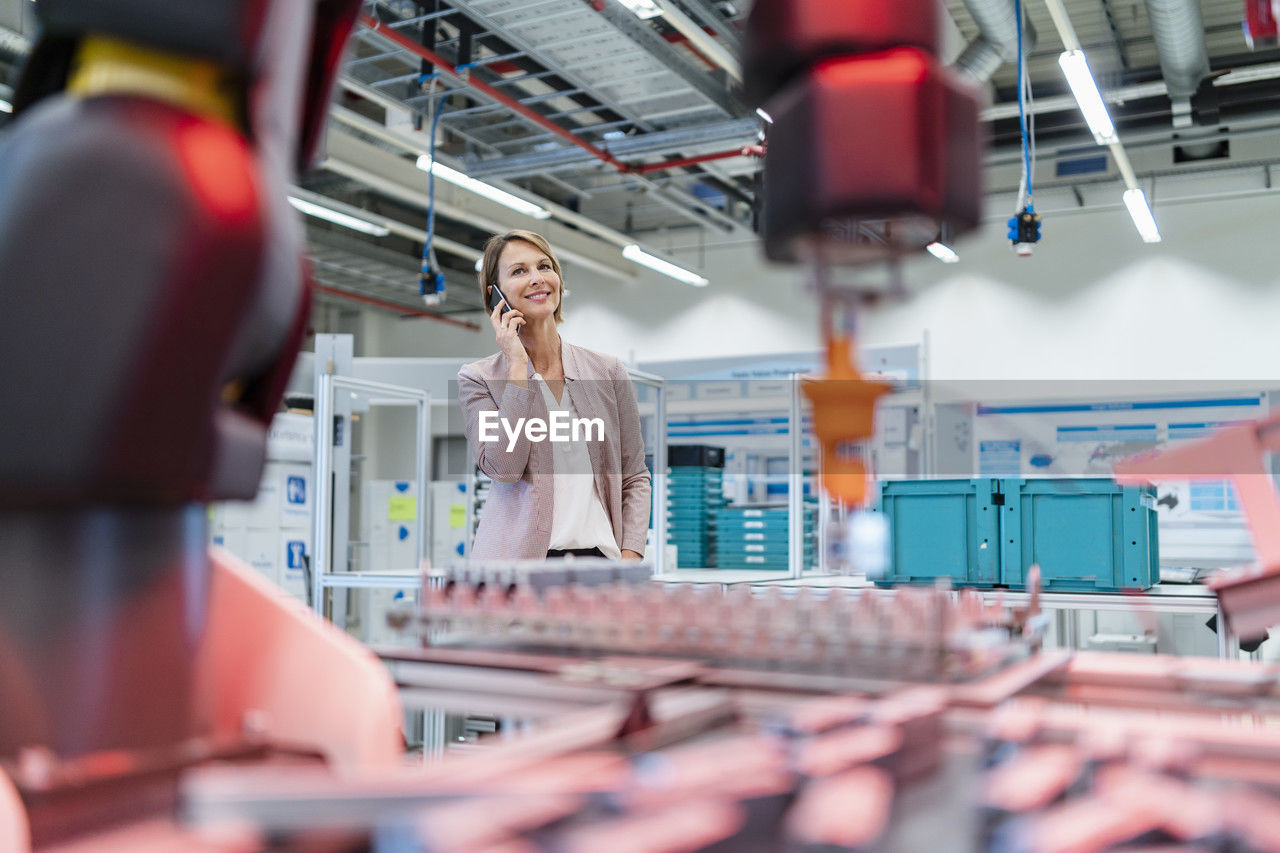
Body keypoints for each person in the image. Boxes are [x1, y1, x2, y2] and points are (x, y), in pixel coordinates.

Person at [458, 229, 651, 561]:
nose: (537, 278)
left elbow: (634, 475)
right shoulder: (479, 379)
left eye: (544, 266)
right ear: (495, 295)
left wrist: (630, 555)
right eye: (519, 271)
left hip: (600, 565)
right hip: (519, 572)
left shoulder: (607, 372)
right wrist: (518, 368)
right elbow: (504, 468)